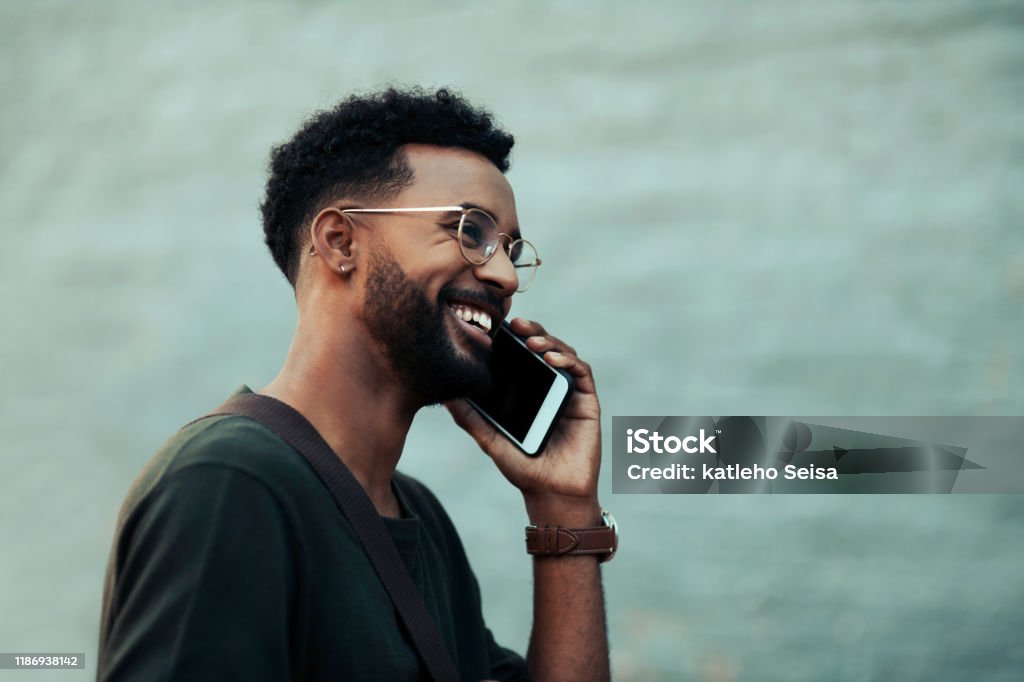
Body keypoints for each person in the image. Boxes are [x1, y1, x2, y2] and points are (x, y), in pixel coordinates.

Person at [98, 87, 613, 681]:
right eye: (471, 232)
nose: (504, 274)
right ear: (340, 241)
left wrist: (564, 507)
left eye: (511, 249)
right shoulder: (228, 486)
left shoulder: (419, 519)